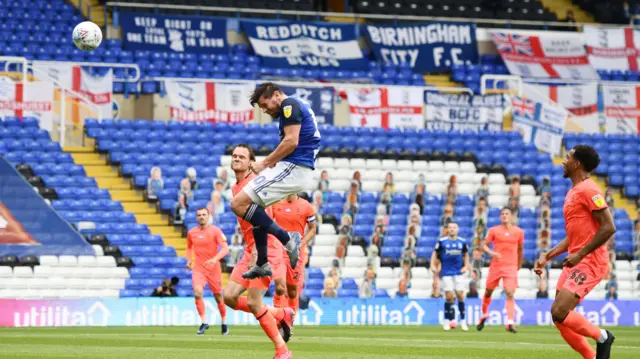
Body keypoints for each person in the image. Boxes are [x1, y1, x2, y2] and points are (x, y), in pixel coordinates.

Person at [230, 82, 321, 280]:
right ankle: (262, 262)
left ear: (277, 95)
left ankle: (287, 239)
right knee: (254, 209)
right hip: (294, 167)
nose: (265, 110)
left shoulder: (289, 104)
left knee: (238, 203)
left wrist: (265, 163)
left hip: (294, 167)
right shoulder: (293, 107)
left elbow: (291, 141)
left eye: (265, 104)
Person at [534, 145, 616, 359]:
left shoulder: (590, 190)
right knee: (559, 317)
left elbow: (608, 227)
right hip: (576, 261)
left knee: (559, 311)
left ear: (577, 164)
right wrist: (548, 255)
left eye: (568, 157)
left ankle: (603, 337)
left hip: (591, 262)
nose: (564, 160)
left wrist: (580, 254)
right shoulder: (574, 192)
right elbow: (574, 235)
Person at [222, 144, 293, 359]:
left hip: (265, 247)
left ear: (250, 161)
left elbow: (265, 219)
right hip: (250, 248)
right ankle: (281, 313)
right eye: (234, 155)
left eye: (241, 157)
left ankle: (282, 350)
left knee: (253, 302)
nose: (236, 159)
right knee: (230, 298)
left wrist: (258, 254)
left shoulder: (254, 184)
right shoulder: (236, 187)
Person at [477, 207, 524, 333]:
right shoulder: (494, 230)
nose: (504, 216)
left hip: (511, 266)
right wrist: (492, 253)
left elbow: (520, 249)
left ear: (511, 216)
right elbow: (483, 245)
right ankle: (484, 314)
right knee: (488, 292)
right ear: (500, 216)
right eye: (502, 214)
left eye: (507, 213)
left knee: (509, 292)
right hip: (496, 266)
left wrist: (519, 264)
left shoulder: (518, 232)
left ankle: (510, 322)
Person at [186, 208, 230, 336]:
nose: (201, 217)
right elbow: (189, 247)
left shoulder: (215, 231)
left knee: (218, 297)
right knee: (198, 292)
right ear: (196, 218)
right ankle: (204, 322)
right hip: (199, 268)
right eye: (199, 215)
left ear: (209, 216)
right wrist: (189, 260)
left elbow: (225, 249)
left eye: (204, 215)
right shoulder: (192, 233)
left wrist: (215, 259)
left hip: (213, 269)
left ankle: (224, 323)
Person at [272, 193, 317, 313]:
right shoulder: (275, 204)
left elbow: (313, 228)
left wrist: (301, 244)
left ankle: (289, 322)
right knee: (280, 287)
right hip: (279, 252)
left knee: (292, 291)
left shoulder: (306, 206)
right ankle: (278, 321)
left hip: (296, 252)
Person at [430, 222, 472, 331]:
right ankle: (447, 320)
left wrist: (466, 266)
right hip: (446, 272)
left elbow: (466, 254)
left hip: (458, 272)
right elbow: (435, 253)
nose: (452, 229)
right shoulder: (442, 241)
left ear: (457, 229)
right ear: (447, 229)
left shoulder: (462, 242)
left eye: (454, 227)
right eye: (450, 227)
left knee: (460, 295)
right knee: (449, 296)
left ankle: (463, 320)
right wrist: (432, 265)